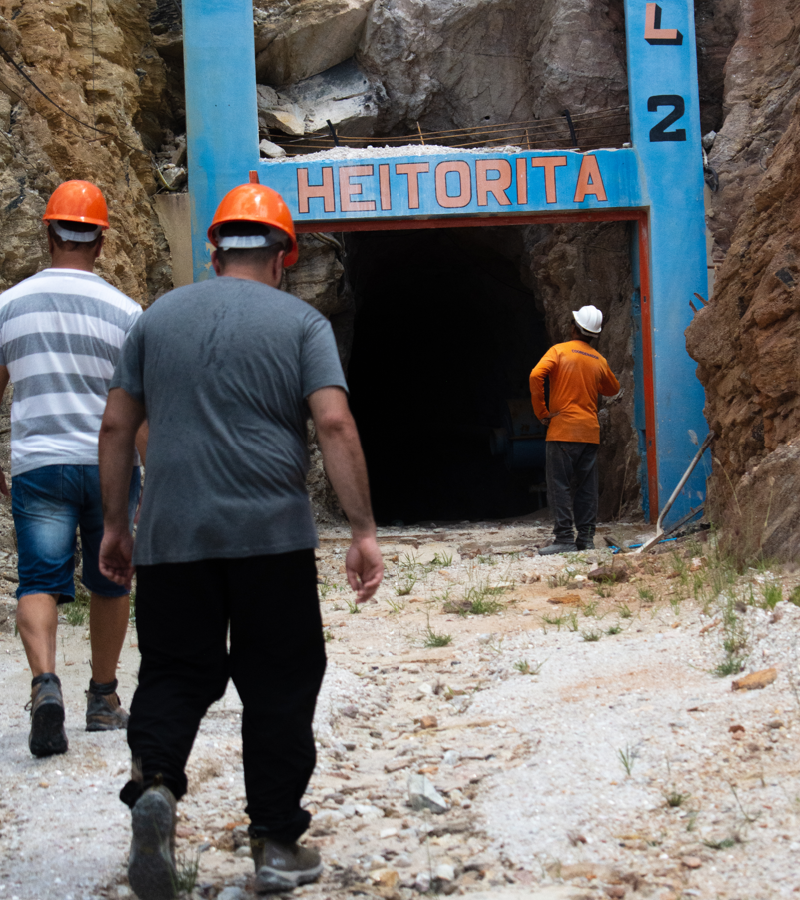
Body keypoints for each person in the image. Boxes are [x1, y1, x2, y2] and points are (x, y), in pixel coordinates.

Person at [98, 182, 384, 899]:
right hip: (272, 539)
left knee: (172, 672)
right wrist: (361, 529)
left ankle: (157, 786)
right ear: (284, 256)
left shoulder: (157, 319)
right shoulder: (301, 324)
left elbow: (113, 427)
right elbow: (335, 424)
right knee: (279, 683)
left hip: (172, 538)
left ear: (213, 249)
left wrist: (113, 524)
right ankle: (277, 844)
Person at [0, 180, 144, 758]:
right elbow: (139, 406)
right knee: (111, 579)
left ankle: (44, 684)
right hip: (109, 464)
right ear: (101, 241)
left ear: (47, 231)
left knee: (38, 580)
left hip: (39, 465)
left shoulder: (8, 305)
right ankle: (104, 699)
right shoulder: (126, 312)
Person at [529, 305, 620, 554]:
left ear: (573, 327)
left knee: (560, 485)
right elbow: (612, 388)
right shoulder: (598, 359)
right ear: (594, 334)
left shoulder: (559, 351)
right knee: (586, 488)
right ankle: (586, 540)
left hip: (562, 430)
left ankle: (565, 539)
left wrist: (542, 412)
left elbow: (536, 375)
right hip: (590, 433)